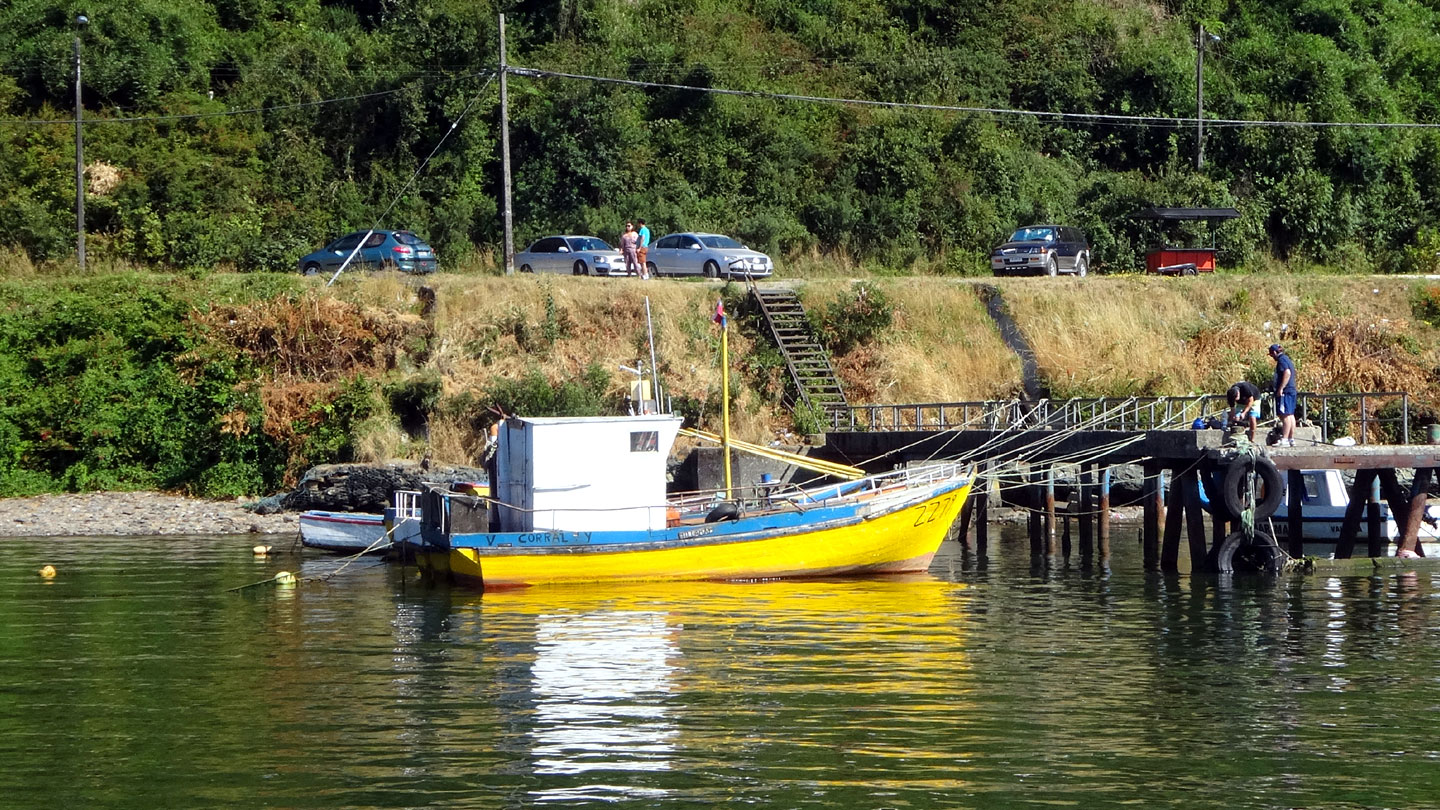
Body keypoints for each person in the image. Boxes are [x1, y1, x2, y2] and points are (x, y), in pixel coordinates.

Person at [1269, 343, 1298, 446]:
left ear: (1275, 352)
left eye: (1271, 354)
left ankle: (1284, 439)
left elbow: (1287, 373)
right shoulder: (1287, 359)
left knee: (1285, 415)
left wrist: (1281, 388)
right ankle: (1291, 439)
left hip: (1285, 392)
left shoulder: (1281, 360)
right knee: (1290, 414)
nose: (1272, 356)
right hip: (1291, 390)